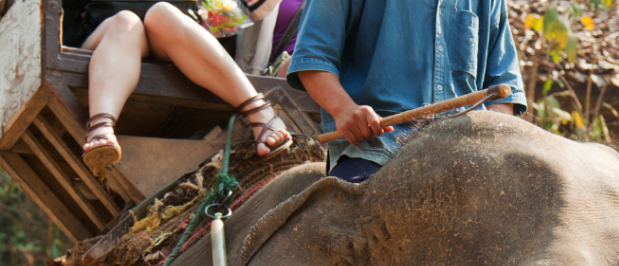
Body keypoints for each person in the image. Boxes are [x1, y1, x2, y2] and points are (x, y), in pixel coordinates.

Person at [286, 0, 526, 183]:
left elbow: (503, 89)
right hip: (377, 148)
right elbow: (313, 59)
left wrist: (492, 138)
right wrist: (345, 110)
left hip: (468, 155)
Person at [78, 2, 292, 175]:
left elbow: (255, 7)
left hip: (176, 38)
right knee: (125, 21)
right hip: (110, 36)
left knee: (162, 13)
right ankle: (101, 127)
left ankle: (258, 110)